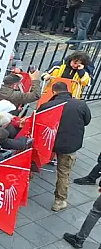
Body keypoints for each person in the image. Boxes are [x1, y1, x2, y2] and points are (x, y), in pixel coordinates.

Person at [41, 81, 92, 212]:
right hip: (70, 145)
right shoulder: (80, 104)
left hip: (49, 143)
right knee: (64, 173)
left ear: (54, 92)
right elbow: (87, 121)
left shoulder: (47, 106)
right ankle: (60, 201)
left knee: (34, 165)